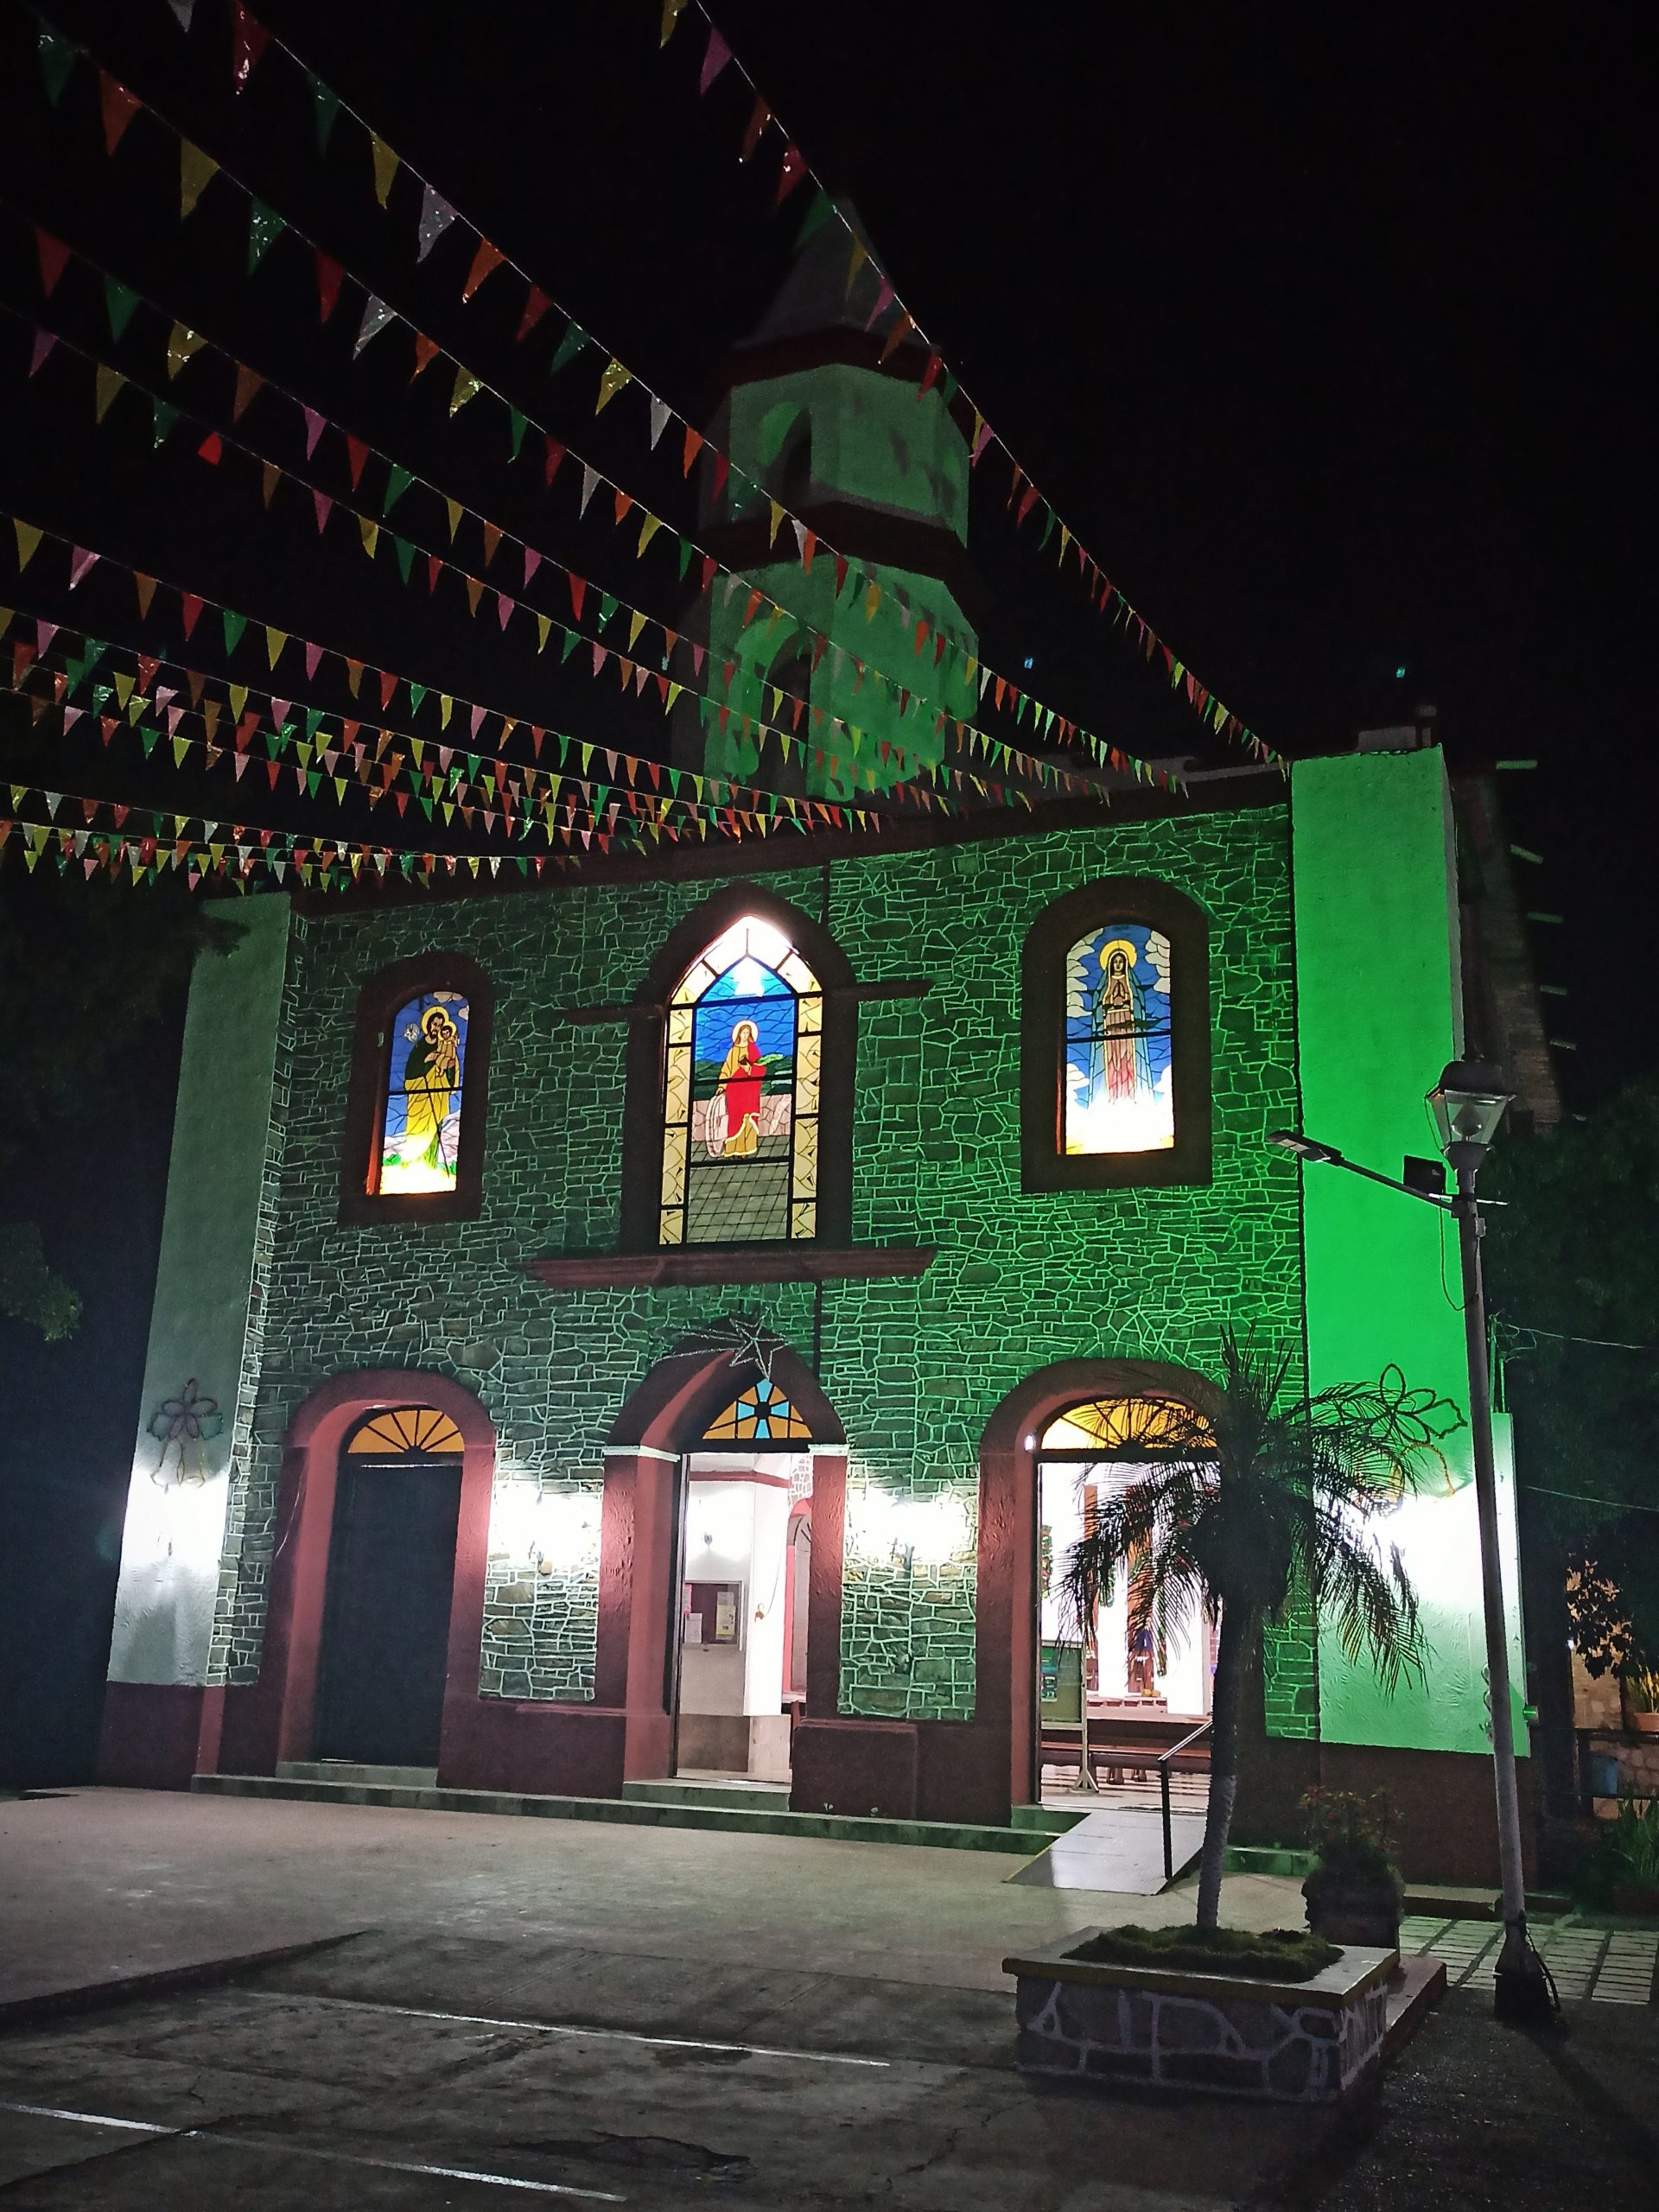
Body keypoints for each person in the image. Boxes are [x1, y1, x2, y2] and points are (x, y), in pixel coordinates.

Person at [717, 1019, 765, 1156]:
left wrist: (749, 1068)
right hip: (734, 1089)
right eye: (743, 1032)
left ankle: (747, 1149)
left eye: (747, 1032)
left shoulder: (752, 1049)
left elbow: (761, 1067)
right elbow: (727, 1068)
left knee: (747, 1117)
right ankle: (734, 1150)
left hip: (749, 1089)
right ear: (738, 1034)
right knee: (735, 1118)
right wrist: (722, 1085)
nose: (745, 1035)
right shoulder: (733, 1051)